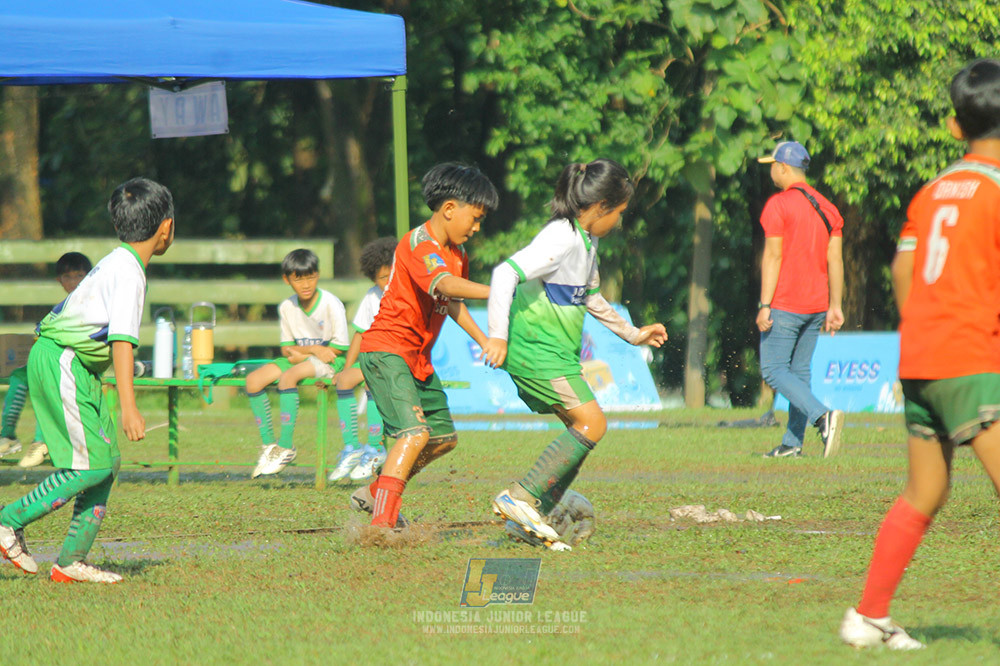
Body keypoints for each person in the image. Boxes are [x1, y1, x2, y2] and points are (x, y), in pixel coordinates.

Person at [839, 58, 1000, 651]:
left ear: (956, 129)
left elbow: (904, 268)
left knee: (924, 493)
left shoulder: (933, 191)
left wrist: (927, 333)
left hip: (921, 357)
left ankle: (868, 615)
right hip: (970, 358)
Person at [481, 158, 668, 551]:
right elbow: (505, 274)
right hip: (536, 352)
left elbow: (590, 297)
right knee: (592, 424)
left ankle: (534, 514)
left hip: (556, 355)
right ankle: (522, 498)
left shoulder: (587, 241)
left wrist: (633, 334)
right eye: (618, 213)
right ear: (600, 207)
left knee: (581, 427)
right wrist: (497, 336)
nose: (618, 222)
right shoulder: (561, 237)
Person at [0, 177, 174, 583]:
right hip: (63, 362)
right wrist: (129, 408)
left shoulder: (119, 261)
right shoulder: (129, 272)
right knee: (90, 465)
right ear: (166, 227)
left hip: (74, 365)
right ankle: (8, 521)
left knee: (105, 462)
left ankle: (70, 561)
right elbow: (121, 342)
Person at [350, 163, 498, 529]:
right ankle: (382, 526)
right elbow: (445, 286)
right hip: (386, 351)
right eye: (475, 218)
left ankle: (375, 491)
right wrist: (500, 292)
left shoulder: (457, 254)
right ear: (450, 209)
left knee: (443, 439)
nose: (477, 228)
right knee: (414, 434)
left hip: (417, 359)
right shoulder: (419, 244)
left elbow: (451, 301)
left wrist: (485, 341)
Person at [756, 140, 846, 458]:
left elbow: (774, 257)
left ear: (782, 166)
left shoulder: (778, 205)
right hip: (818, 304)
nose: (771, 170)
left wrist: (765, 304)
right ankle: (792, 445)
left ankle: (823, 416)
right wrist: (835, 306)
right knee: (799, 371)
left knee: (773, 369)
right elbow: (835, 261)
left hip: (785, 303)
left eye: (772, 164)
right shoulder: (828, 208)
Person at [246, 249, 349, 478]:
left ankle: (286, 447)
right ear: (287, 280)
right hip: (301, 357)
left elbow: (339, 347)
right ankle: (269, 446)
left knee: (288, 377)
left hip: (331, 359)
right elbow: (286, 349)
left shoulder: (332, 303)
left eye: (310, 277)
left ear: (318, 275)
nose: (305, 284)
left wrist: (306, 355)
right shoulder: (286, 307)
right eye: (298, 278)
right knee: (253, 381)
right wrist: (311, 350)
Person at [1, 252, 93, 468]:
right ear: (59, 280)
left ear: (89, 277)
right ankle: (7, 435)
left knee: (47, 377)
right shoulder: (62, 306)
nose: (74, 282)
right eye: (68, 277)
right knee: (19, 375)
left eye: (79, 275)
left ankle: (41, 441)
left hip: (78, 362)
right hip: (55, 359)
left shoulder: (91, 302)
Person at [327, 237, 396, 483]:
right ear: (372, 278)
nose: (387, 283)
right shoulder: (371, 297)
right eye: (381, 278)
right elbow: (360, 334)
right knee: (344, 381)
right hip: (373, 357)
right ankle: (353, 448)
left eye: (391, 276)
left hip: (398, 359)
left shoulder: (406, 294)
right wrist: (345, 368)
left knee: (370, 381)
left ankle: (376, 447)